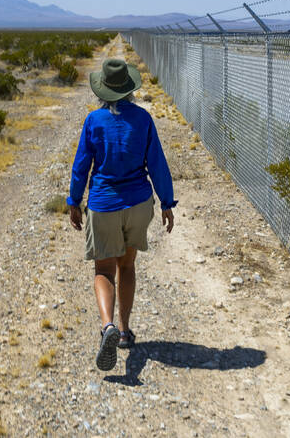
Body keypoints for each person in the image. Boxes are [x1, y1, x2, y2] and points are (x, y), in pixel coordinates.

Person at [67, 58, 176, 371]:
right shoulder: (143, 119)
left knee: (103, 270)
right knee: (127, 266)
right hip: (139, 204)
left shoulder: (93, 121)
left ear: (102, 90)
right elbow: (157, 162)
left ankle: (107, 327)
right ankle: (125, 332)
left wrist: (74, 200)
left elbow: (81, 165)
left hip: (104, 205)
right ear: (129, 89)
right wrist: (167, 202)